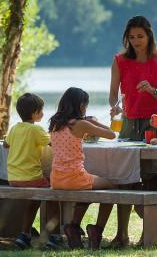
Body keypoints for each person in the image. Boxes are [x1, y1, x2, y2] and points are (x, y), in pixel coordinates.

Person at [108, 15, 157, 247]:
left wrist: (153, 90)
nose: (136, 41)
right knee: (125, 179)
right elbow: (113, 94)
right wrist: (114, 107)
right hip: (127, 123)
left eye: (140, 36)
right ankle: (121, 235)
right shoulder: (119, 61)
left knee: (150, 179)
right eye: (132, 37)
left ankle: (148, 234)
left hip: (154, 124)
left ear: (149, 36)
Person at [49, 87, 116, 250]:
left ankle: (73, 226)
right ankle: (97, 229)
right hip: (74, 178)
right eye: (85, 105)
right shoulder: (81, 124)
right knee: (112, 187)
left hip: (57, 178)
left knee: (89, 187)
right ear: (80, 106)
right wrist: (92, 121)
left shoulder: (55, 123)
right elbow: (111, 134)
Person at [3, 93, 60, 249]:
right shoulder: (36, 130)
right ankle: (54, 235)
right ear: (35, 113)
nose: (43, 114)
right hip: (31, 177)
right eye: (41, 111)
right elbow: (53, 142)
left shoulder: (14, 129)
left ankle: (24, 234)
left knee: (34, 200)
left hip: (14, 179)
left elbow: (5, 145)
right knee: (53, 195)